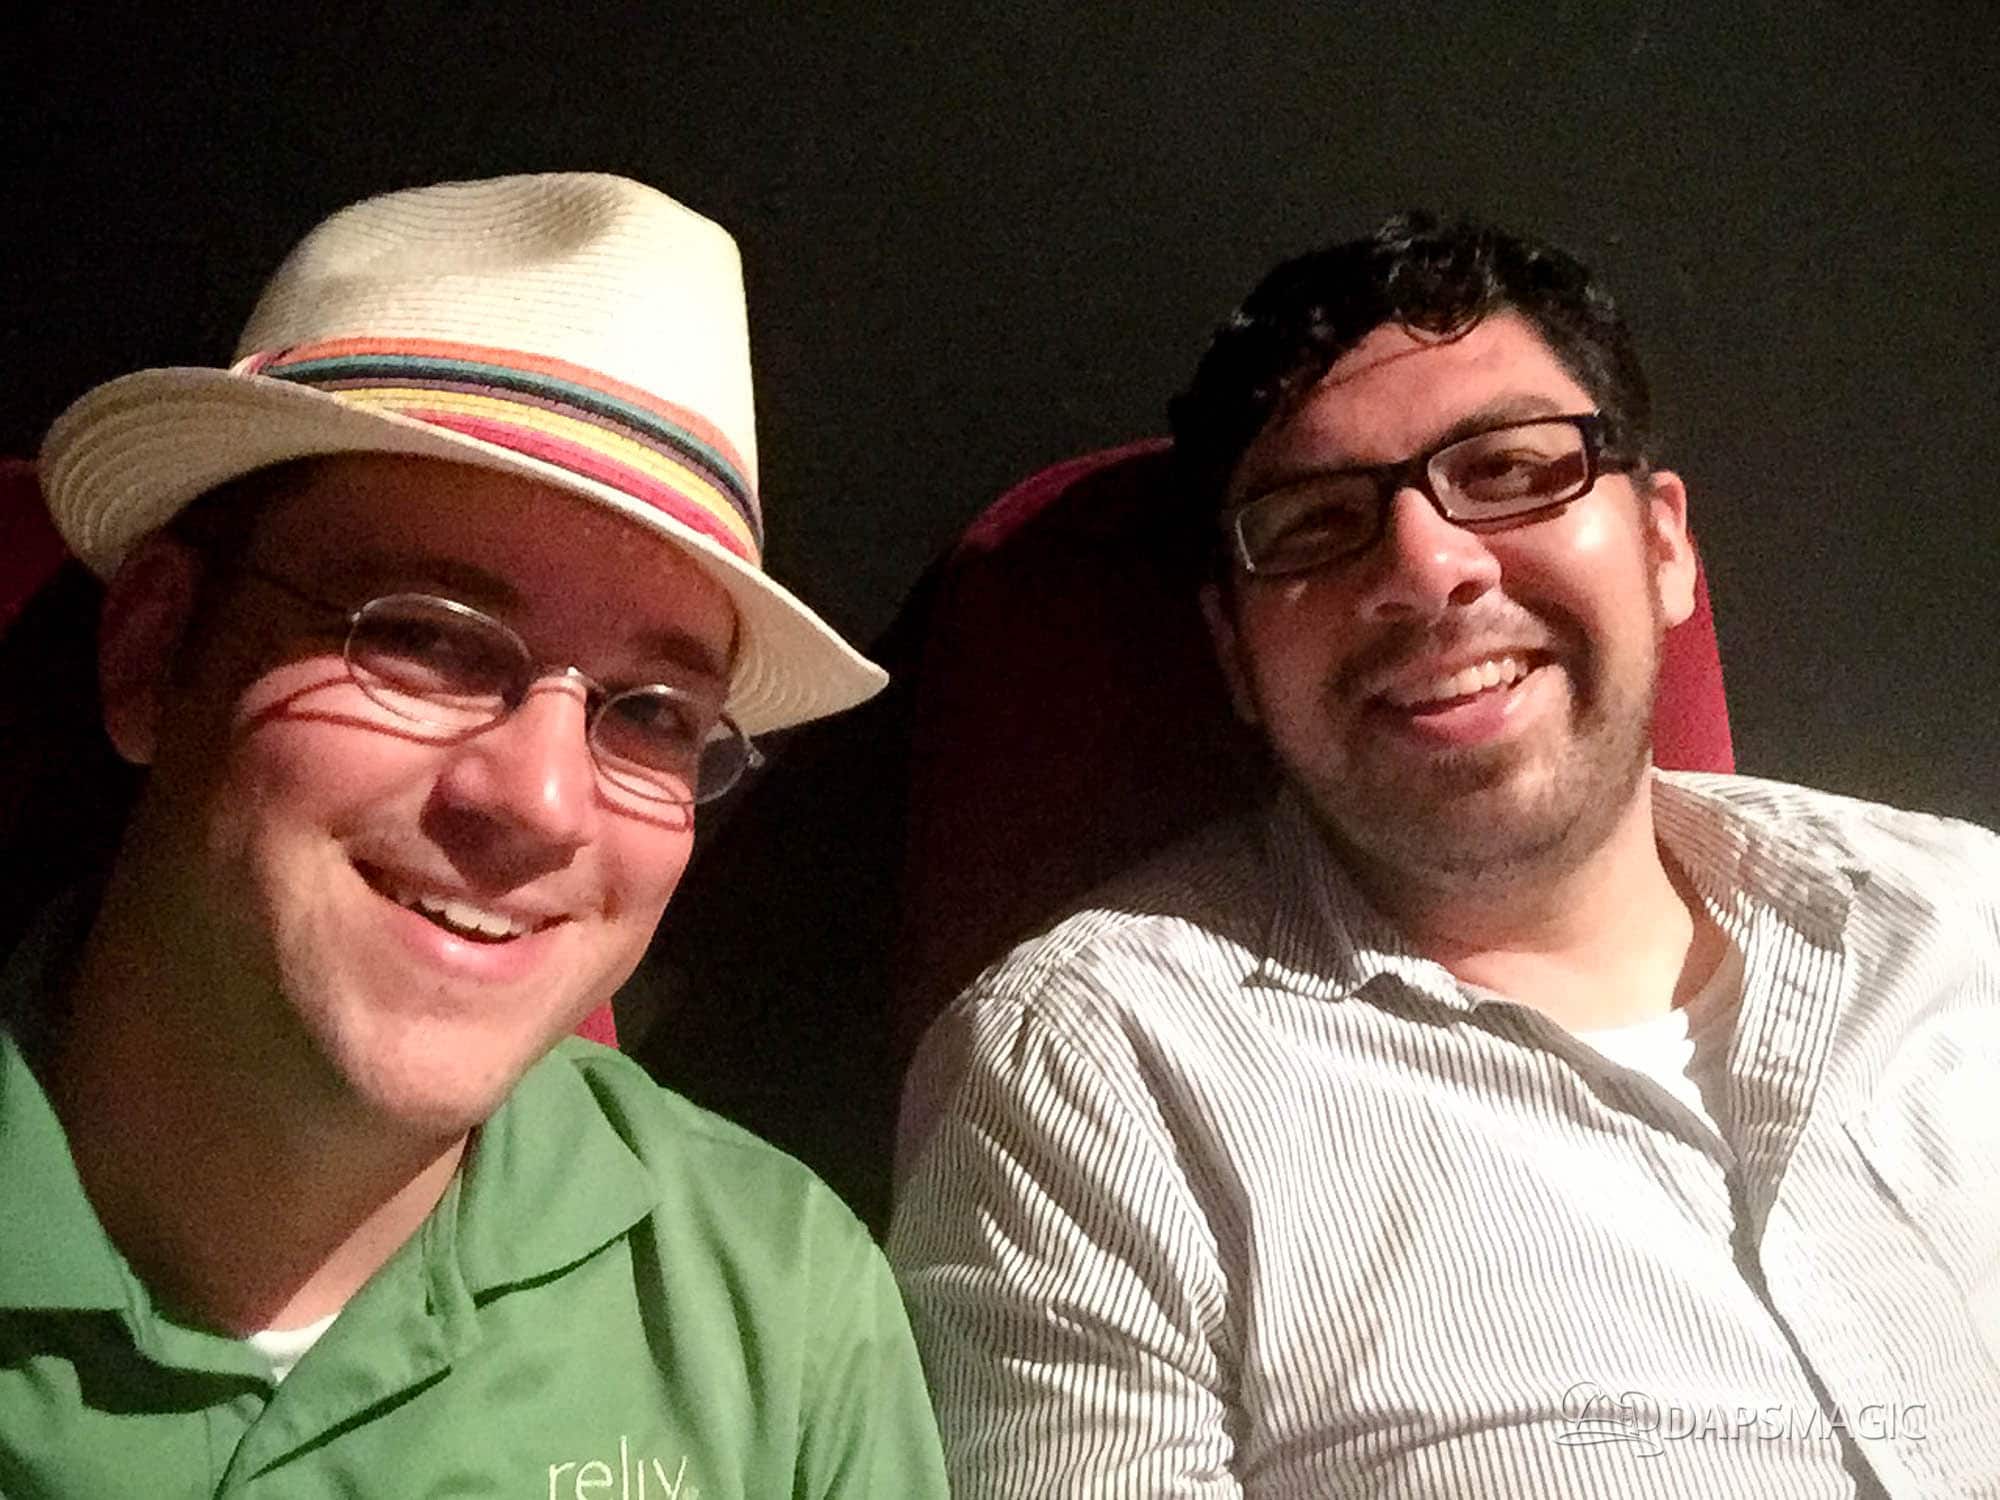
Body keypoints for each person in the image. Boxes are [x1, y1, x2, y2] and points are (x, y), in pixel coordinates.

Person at [888, 213, 1999, 1497]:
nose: (1425, 567)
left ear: (1662, 547)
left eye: (1511, 470)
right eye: (1314, 522)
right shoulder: (1095, 1079)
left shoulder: (1960, 912)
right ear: (1234, 655)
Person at [0, 173, 948, 1497]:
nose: (542, 802)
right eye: (426, 637)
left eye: (654, 714)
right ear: (156, 652)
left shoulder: (780, 1308)